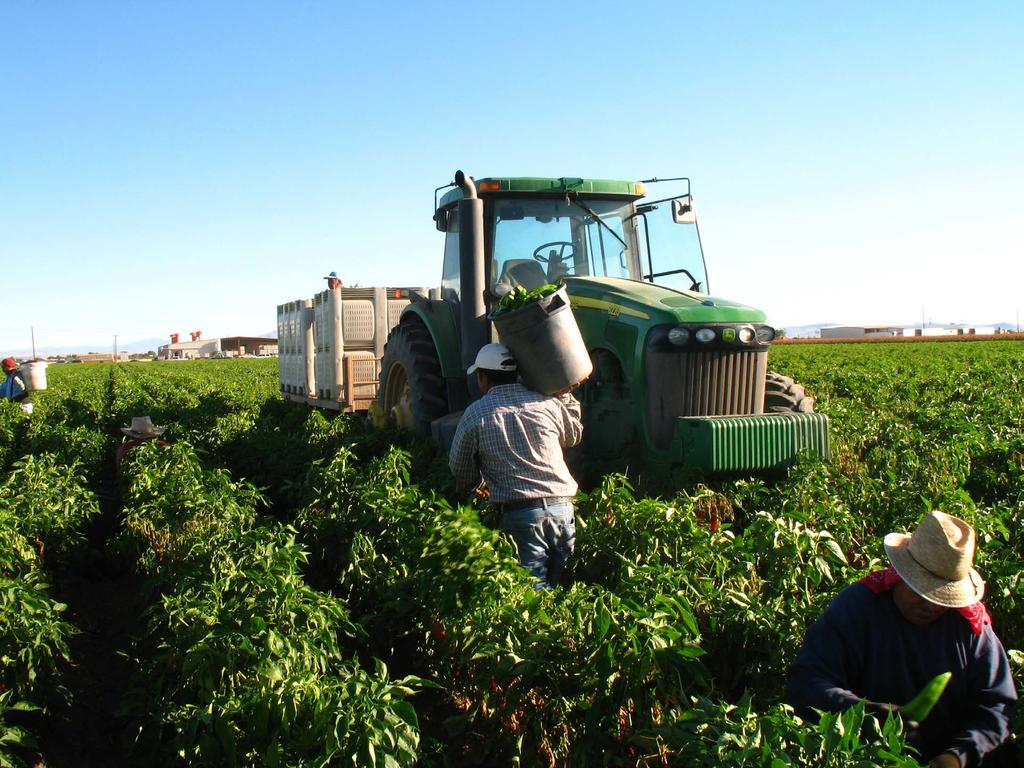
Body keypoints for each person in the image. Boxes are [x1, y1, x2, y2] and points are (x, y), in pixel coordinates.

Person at [786, 511, 1018, 768]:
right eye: (921, 590)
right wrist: (862, 711)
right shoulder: (859, 607)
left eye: (941, 597)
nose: (930, 604)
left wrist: (957, 756)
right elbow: (807, 681)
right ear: (901, 574)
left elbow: (997, 705)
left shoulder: (970, 628)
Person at [449, 343, 583, 588]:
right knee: (565, 589)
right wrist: (565, 394)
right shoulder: (546, 403)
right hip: (563, 509)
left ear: (482, 377)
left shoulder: (476, 413)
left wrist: (478, 483)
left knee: (533, 594)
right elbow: (573, 435)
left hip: (523, 515)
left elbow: (459, 467)